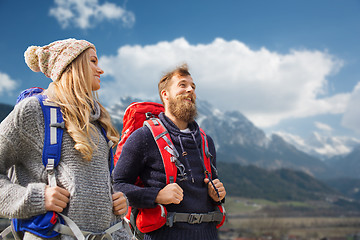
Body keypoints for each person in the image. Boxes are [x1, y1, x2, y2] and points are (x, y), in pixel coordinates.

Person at [0, 38, 129, 239]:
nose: (100, 69)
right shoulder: (33, 112)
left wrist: (117, 201)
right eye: (93, 61)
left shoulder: (97, 122)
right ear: (71, 65)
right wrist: (35, 198)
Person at [113, 64, 226, 240]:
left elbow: (208, 189)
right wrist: (156, 195)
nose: (190, 90)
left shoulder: (206, 141)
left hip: (209, 234)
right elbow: (117, 185)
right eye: (182, 85)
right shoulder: (143, 137)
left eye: (193, 87)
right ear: (165, 95)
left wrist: (217, 194)